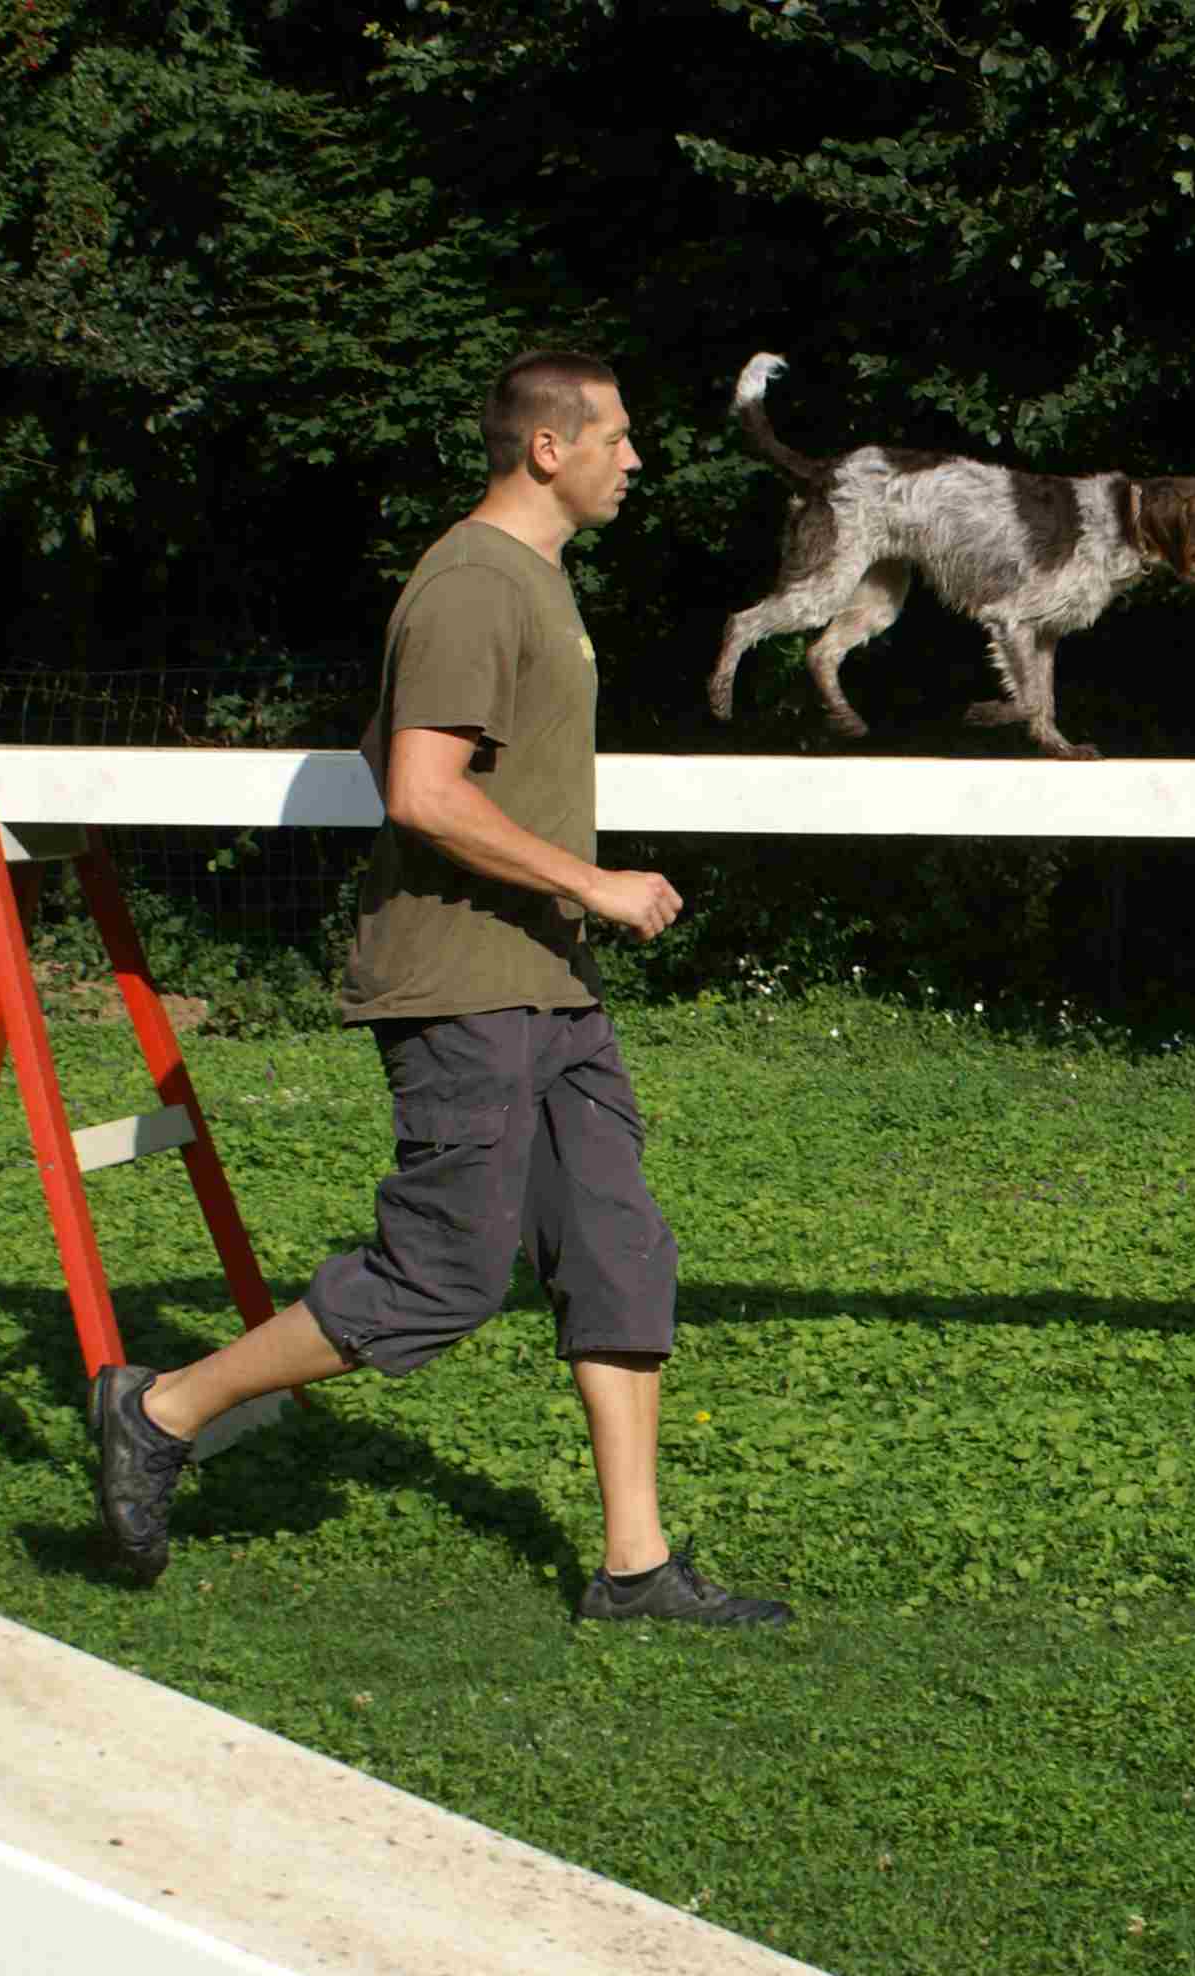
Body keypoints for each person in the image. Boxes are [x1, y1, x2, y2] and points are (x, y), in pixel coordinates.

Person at [89, 351, 789, 1626]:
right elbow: (419, 788)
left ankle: (635, 1567)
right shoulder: (471, 582)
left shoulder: (535, 580)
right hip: (465, 983)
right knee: (442, 1275)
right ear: (547, 448)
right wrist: (589, 881)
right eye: (617, 437)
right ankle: (162, 1408)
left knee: (617, 1250)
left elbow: (408, 754)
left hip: (548, 983)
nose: (635, 459)